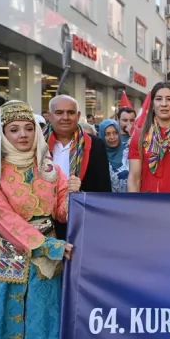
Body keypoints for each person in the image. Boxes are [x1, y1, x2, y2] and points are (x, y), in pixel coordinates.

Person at [0, 100, 75, 339]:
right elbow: (3, 218)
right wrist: (47, 245)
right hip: (11, 257)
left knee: (44, 324)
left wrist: (73, 196)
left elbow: (62, 213)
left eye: (29, 128)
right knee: (5, 323)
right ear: (3, 134)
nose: (23, 135)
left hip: (47, 264)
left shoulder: (51, 169)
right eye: (15, 129)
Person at [45, 95, 111, 239]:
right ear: (49, 116)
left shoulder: (95, 145)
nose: (65, 117)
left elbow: (103, 188)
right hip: (44, 222)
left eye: (70, 112)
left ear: (78, 115)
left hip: (82, 220)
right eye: (59, 112)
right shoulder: (37, 145)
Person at [98, 119, 129, 192]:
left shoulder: (128, 150)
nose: (112, 137)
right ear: (102, 136)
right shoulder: (98, 155)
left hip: (129, 199)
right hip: (107, 200)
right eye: (107, 134)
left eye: (115, 133)